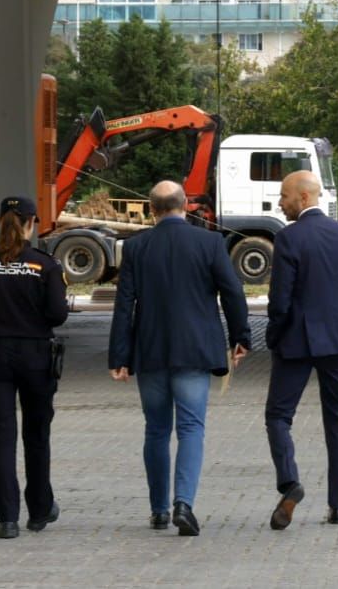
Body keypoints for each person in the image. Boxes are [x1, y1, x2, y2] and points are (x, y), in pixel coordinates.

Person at [109, 181, 251, 536]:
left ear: (151, 209)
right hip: (195, 350)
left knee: (156, 429)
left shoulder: (137, 248)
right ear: (186, 205)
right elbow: (232, 292)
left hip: (151, 350)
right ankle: (183, 503)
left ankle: (158, 510)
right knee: (191, 428)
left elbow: (124, 304)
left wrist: (120, 355)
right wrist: (240, 337)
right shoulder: (209, 243)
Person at [0, 195, 69, 540]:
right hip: (35, 356)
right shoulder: (44, 264)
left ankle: (7, 519)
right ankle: (39, 510)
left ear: (0, 221)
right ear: (32, 223)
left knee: (2, 437)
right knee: (37, 435)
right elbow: (57, 315)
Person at [264, 170, 338, 529]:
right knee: (336, 417)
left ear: (303, 198)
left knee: (278, 415)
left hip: (297, 339)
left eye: (284, 195)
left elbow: (280, 301)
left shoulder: (288, 238)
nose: (280, 202)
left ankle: (290, 483)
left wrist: (273, 336)